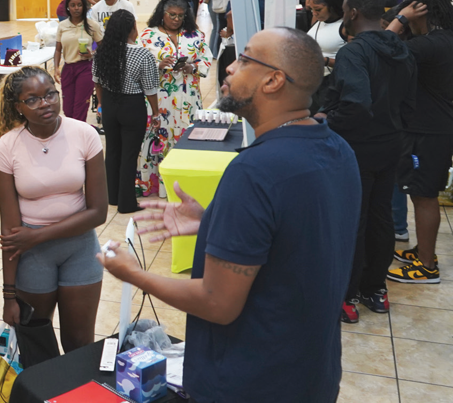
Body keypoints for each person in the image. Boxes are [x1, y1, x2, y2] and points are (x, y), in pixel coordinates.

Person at [100, 27, 360, 403]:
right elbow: (297, 243)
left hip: (250, 380)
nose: (229, 68)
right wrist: (214, 224)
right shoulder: (337, 149)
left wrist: (133, 274)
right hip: (311, 372)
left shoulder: (255, 170)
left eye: (245, 59)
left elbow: (217, 303)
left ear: (273, 80)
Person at [0, 65, 108, 352]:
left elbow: (98, 212)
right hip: (31, 256)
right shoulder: (7, 147)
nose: (45, 103)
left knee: (79, 344)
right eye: (32, 99)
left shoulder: (85, 134)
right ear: (18, 107)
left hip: (79, 248)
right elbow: (9, 230)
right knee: (37, 344)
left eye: (50, 94)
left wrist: (38, 237)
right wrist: (9, 296)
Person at [317, 0, 416, 323]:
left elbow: (356, 104)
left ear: (354, 13)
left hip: (357, 147)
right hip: (392, 143)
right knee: (380, 216)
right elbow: (408, 102)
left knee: (352, 220)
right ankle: (376, 288)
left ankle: (348, 293)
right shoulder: (402, 49)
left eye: (346, 10)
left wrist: (326, 120)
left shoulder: (353, 53)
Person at [384, 0, 453, 284]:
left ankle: (427, 267)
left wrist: (400, 18)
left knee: (423, 196)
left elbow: (381, 48)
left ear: (420, 11)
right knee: (420, 192)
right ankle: (424, 251)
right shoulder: (443, 40)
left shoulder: (429, 46)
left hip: (427, 131)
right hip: (436, 127)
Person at [137, 0, 212, 198]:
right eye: (172, 15)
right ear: (162, 14)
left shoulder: (195, 35)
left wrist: (192, 66)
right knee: (159, 138)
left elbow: (207, 59)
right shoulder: (147, 36)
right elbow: (138, 66)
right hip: (160, 99)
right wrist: (158, 65)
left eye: (180, 15)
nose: (176, 19)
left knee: (187, 136)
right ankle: (159, 185)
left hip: (188, 98)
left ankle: (186, 185)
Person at [93, 11, 160, 213]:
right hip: (132, 106)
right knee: (129, 155)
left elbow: (97, 82)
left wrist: (102, 105)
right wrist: (155, 113)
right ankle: (127, 203)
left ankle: (112, 196)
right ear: (132, 29)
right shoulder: (142, 54)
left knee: (112, 150)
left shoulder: (102, 51)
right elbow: (150, 89)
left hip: (110, 104)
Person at [305, 0, 347, 115]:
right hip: (313, 83)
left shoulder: (346, 27)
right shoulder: (319, 21)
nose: (314, 13)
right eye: (312, 9)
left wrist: (324, 60)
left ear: (333, 6)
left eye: (318, 9)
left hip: (331, 85)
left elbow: (353, 63)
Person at [53, 0, 96, 122]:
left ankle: (79, 138)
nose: (76, 8)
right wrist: (56, 68)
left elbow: (104, 47)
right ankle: (73, 134)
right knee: (67, 109)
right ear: (68, 7)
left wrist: (92, 54)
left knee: (80, 108)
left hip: (85, 68)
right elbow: (58, 49)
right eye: (73, 5)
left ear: (84, 7)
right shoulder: (62, 26)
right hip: (68, 68)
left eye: (79, 5)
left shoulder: (91, 25)